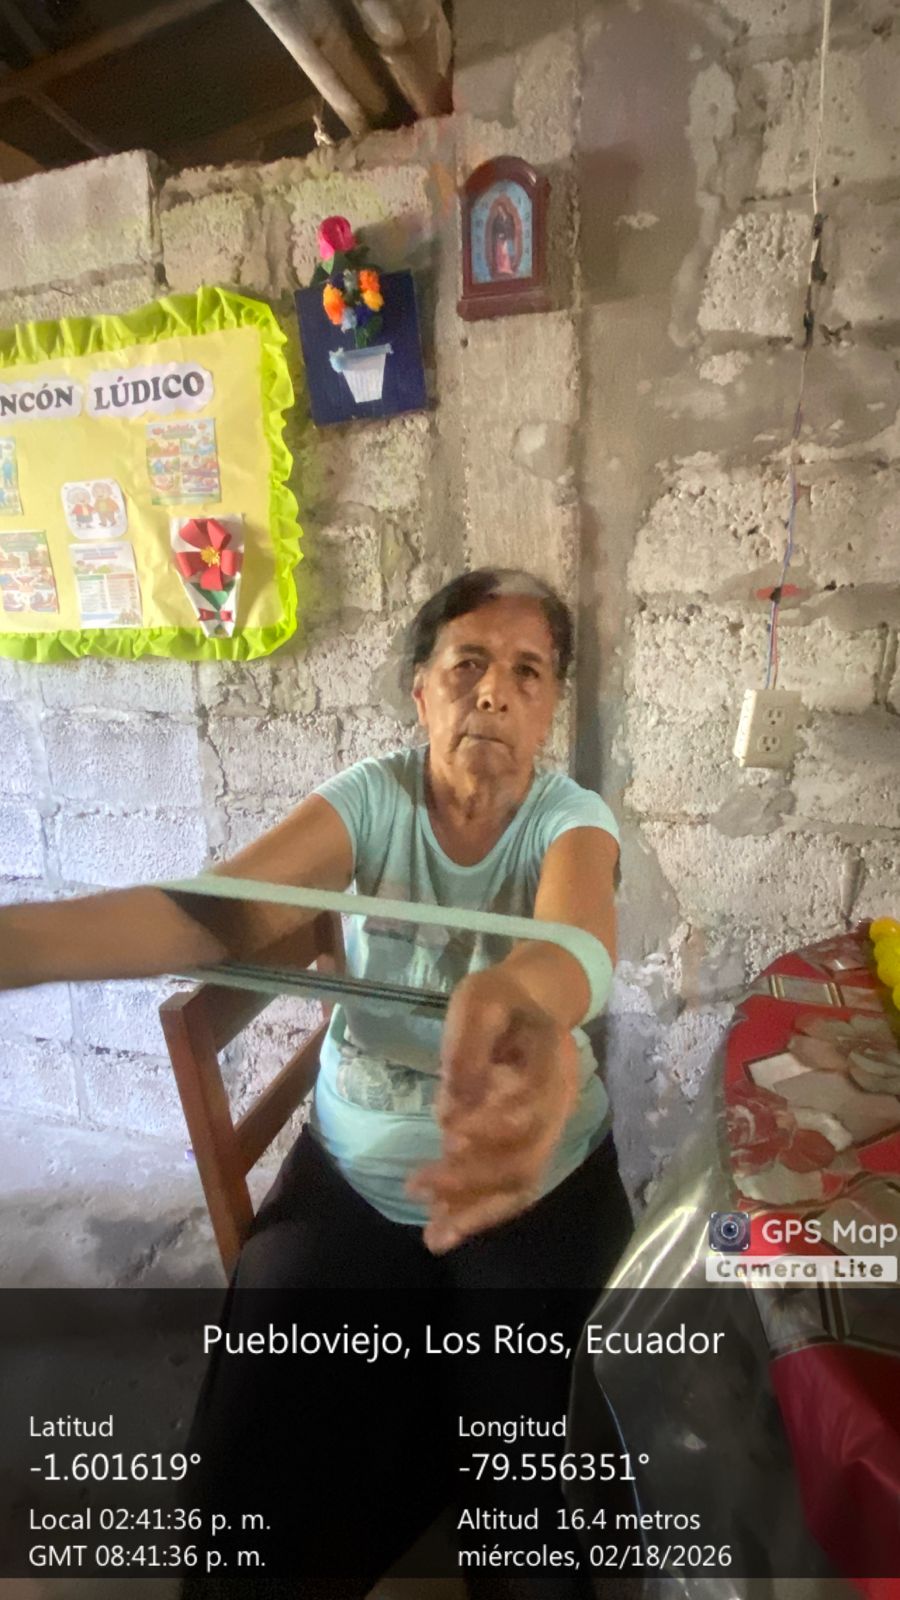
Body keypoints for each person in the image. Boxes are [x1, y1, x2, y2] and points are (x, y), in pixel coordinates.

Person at [0, 567, 633, 1596]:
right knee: (259, 1440)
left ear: (550, 706)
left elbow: (578, 942)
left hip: (534, 1177)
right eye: (468, 663)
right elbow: (216, 914)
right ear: (421, 691)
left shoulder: (572, 819)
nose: (494, 691)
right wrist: (25, 943)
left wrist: (525, 998)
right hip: (355, 1170)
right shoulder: (374, 798)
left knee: (525, 1479)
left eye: (528, 672)